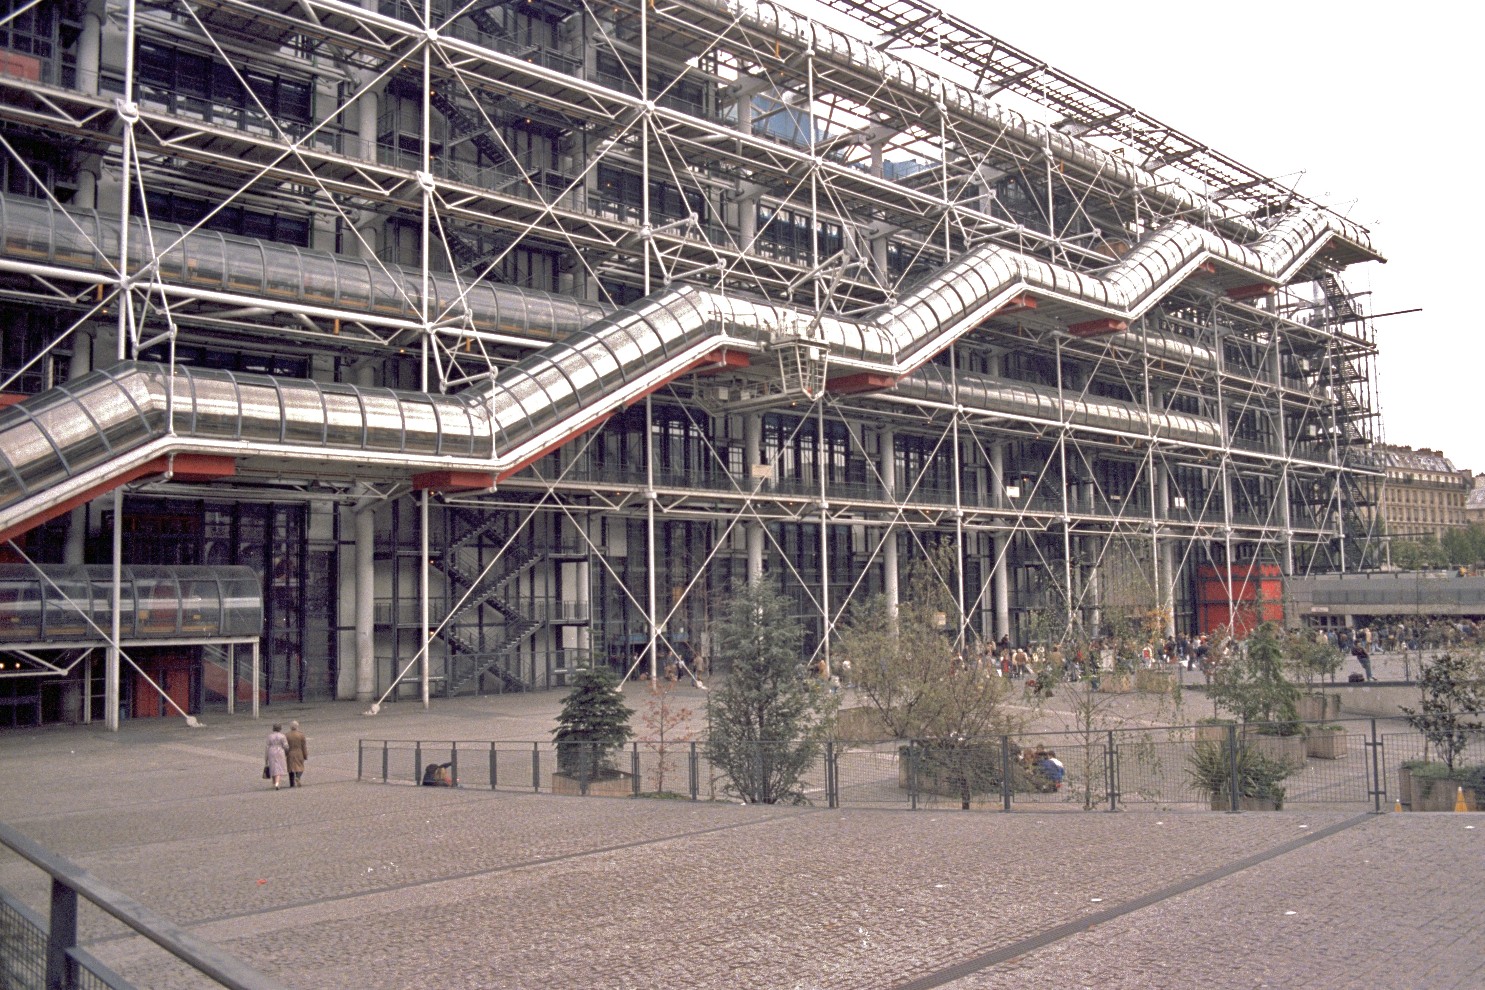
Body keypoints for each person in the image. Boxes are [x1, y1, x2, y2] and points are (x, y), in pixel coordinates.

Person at [265, 723, 289, 790]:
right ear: (280, 729)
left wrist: (266, 757)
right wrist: (287, 752)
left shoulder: (270, 736)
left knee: (273, 767)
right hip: (280, 751)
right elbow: (285, 746)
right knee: (278, 768)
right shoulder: (282, 736)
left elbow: (267, 746)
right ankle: (277, 783)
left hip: (271, 751)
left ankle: (273, 782)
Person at [285, 720, 309, 788]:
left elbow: (285, 746)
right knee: (300, 767)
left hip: (290, 753)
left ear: (290, 727)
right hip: (299, 752)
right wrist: (305, 755)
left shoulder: (287, 735)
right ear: (297, 726)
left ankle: (291, 783)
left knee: (290, 768)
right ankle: (298, 777)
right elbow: (304, 746)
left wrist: (285, 754)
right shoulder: (301, 735)